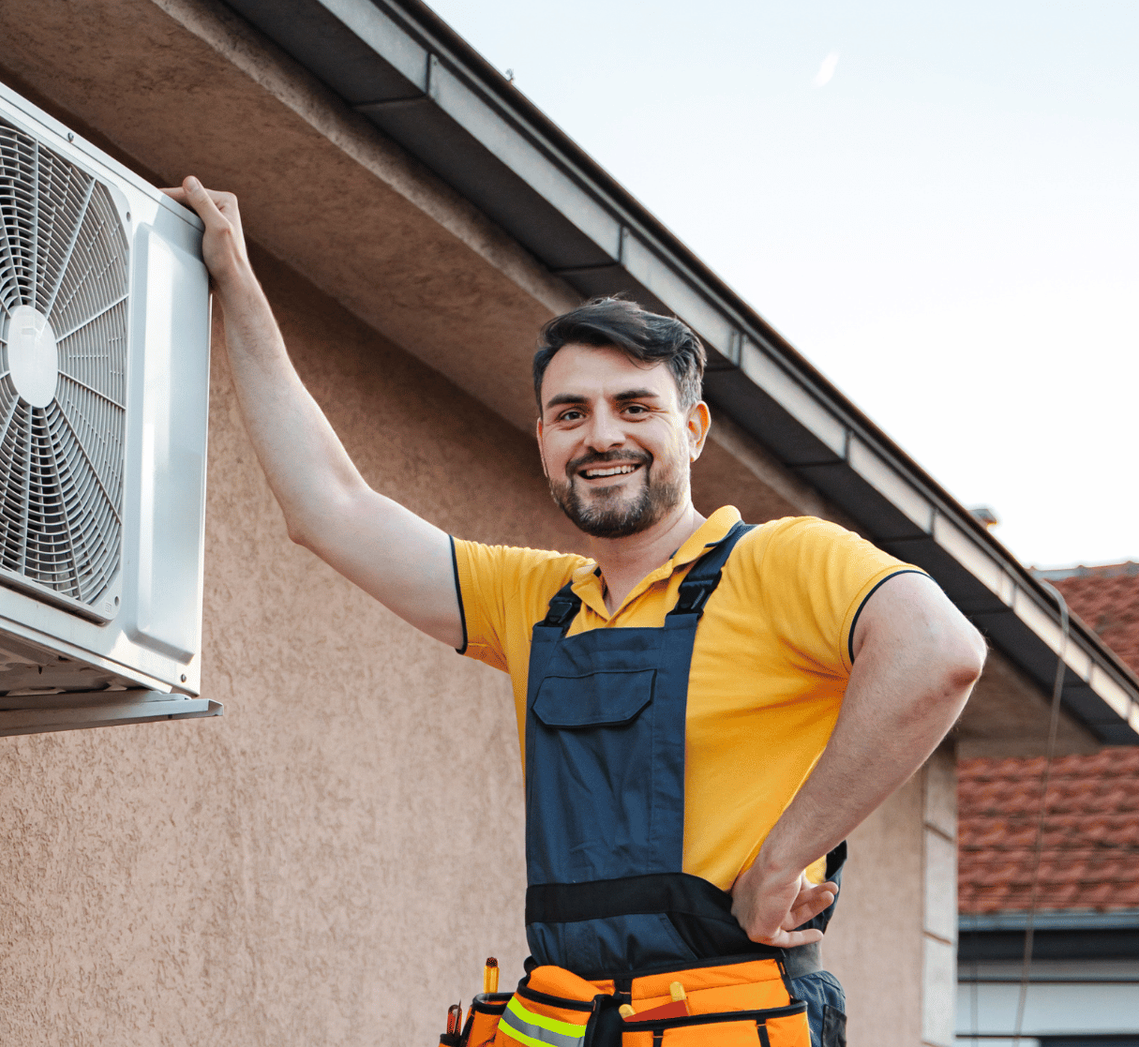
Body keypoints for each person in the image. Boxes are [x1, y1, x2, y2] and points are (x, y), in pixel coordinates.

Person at [163, 177, 986, 1044]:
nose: (601, 436)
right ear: (545, 438)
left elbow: (939, 651)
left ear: (695, 428)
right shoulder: (534, 599)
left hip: (728, 1016)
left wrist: (785, 854)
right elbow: (330, 508)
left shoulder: (781, 561)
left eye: (636, 407)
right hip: (561, 1020)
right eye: (571, 413)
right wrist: (235, 283)